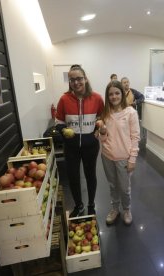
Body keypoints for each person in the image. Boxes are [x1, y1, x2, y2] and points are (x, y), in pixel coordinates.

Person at [55, 65, 104, 217]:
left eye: (79, 78)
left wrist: (98, 128)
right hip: (71, 147)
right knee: (73, 177)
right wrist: (63, 130)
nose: (76, 82)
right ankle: (78, 205)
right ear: (69, 81)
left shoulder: (96, 98)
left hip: (91, 146)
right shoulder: (64, 99)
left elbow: (102, 117)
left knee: (91, 176)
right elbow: (58, 120)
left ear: (85, 79)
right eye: (72, 79)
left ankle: (91, 204)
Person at [97, 80, 140, 225]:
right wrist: (102, 132)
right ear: (107, 96)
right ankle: (115, 208)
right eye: (110, 94)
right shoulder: (105, 113)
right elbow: (102, 139)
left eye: (117, 93)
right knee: (112, 185)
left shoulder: (131, 113)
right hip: (107, 156)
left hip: (124, 157)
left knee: (124, 187)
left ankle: (126, 209)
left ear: (122, 93)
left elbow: (135, 137)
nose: (114, 96)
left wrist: (132, 159)